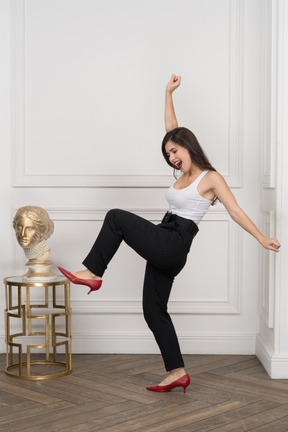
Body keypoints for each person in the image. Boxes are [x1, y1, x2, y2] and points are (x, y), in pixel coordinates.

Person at [59, 74, 281, 393]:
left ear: (188, 146)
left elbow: (234, 210)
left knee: (115, 218)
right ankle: (177, 371)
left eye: (176, 151)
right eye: (168, 155)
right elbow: (170, 128)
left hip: (174, 242)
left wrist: (261, 238)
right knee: (153, 310)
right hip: (165, 239)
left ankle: (94, 271)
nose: (172, 158)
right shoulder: (182, 169)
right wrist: (167, 93)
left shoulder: (209, 178)